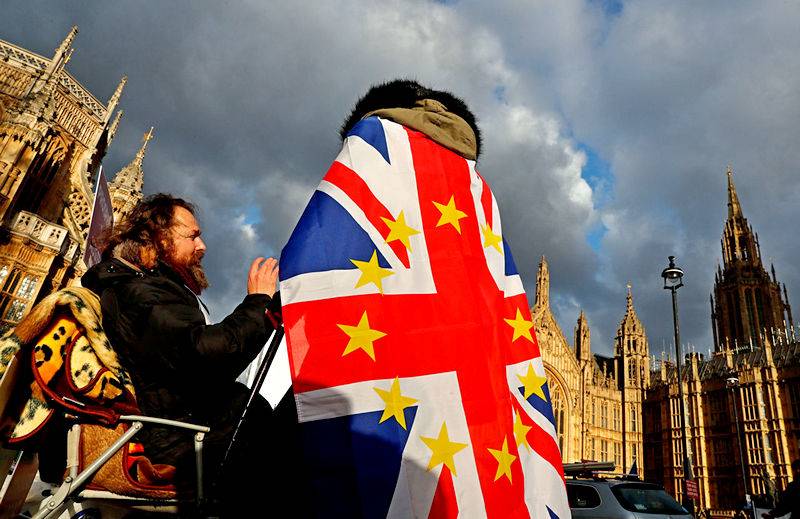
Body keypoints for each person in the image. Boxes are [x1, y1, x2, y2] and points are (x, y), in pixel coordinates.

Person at [82, 193, 291, 515]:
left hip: (195, 427)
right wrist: (258, 303)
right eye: (192, 236)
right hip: (182, 438)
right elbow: (204, 355)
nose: (202, 246)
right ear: (156, 238)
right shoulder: (139, 292)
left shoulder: (145, 289)